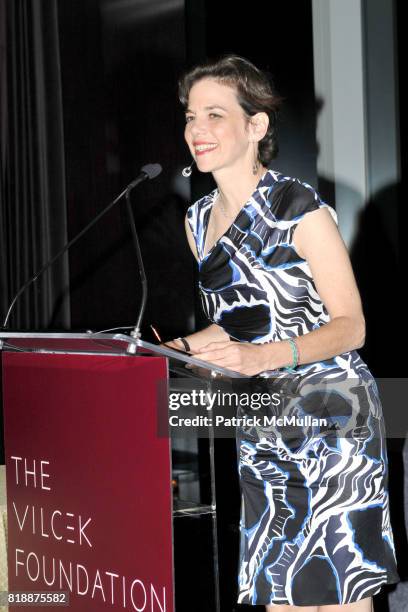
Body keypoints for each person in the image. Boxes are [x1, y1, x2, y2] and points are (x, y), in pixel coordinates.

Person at [166, 54, 400, 610]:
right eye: (190, 116)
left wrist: (263, 357)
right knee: (280, 591)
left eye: (214, 114)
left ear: (257, 125)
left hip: (332, 411)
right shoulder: (197, 221)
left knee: (340, 594)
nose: (197, 130)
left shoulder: (299, 209)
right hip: (263, 417)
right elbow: (242, 318)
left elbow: (352, 326)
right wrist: (163, 351)